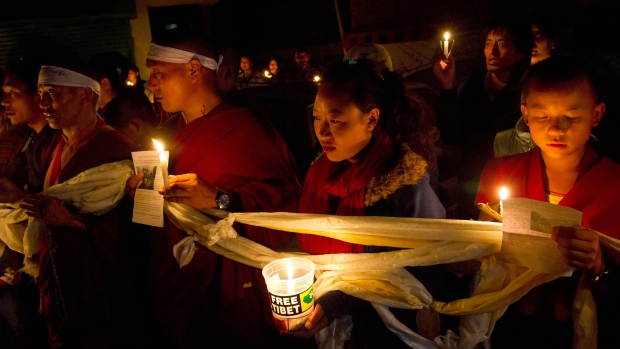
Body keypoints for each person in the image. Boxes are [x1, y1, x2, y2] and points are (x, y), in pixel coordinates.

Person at [142, 29, 302, 348]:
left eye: (159, 74)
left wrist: (221, 199)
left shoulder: (243, 128)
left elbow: (287, 199)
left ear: (193, 71)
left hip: (227, 287)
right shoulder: (167, 134)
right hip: (177, 279)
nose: (151, 85)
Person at [291, 59, 453, 347]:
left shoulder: (405, 187)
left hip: (386, 332)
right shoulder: (320, 173)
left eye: (336, 119)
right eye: (317, 117)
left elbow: (425, 274)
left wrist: (338, 303)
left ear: (371, 119)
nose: (323, 131)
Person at [476, 56, 620, 348]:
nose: (557, 129)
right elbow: (474, 264)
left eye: (572, 116)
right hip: (507, 325)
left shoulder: (613, 185)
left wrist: (598, 266)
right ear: (525, 115)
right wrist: (482, 241)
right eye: (543, 117)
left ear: (596, 114)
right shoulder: (501, 172)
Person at [14, 60, 150, 348]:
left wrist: (72, 220)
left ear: (85, 95)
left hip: (100, 291)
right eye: (40, 94)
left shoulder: (114, 148)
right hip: (62, 279)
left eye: (53, 93)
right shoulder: (57, 144)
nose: (43, 104)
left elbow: (135, 233)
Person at [433, 16, 534, 220]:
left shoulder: (530, 91)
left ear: (521, 52)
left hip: (511, 190)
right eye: (489, 43)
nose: (492, 52)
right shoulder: (474, 84)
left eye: (502, 45)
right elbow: (452, 135)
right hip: (471, 184)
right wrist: (447, 88)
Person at [0, 57, 62, 198]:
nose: (4, 102)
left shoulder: (58, 141)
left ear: (38, 94)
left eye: (12, 92)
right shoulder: (33, 137)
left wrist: (20, 197)